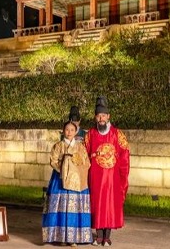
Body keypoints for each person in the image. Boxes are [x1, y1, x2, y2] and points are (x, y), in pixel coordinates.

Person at [84, 96, 130, 246]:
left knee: (110, 205)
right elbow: (84, 155)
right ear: (95, 117)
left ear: (108, 116)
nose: (101, 118)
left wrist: (122, 174)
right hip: (95, 178)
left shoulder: (117, 134)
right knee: (97, 204)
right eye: (99, 115)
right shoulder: (90, 134)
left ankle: (107, 236)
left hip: (112, 179)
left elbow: (125, 154)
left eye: (104, 115)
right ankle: (98, 236)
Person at [42, 120, 93, 246]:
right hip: (60, 179)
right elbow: (53, 161)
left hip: (77, 180)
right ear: (63, 131)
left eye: (72, 130)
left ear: (76, 132)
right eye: (67, 130)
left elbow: (86, 162)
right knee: (60, 206)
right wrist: (65, 168)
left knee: (75, 208)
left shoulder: (81, 147)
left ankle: (73, 237)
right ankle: (59, 236)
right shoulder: (58, 146)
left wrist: (76, 168)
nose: (69, 132)